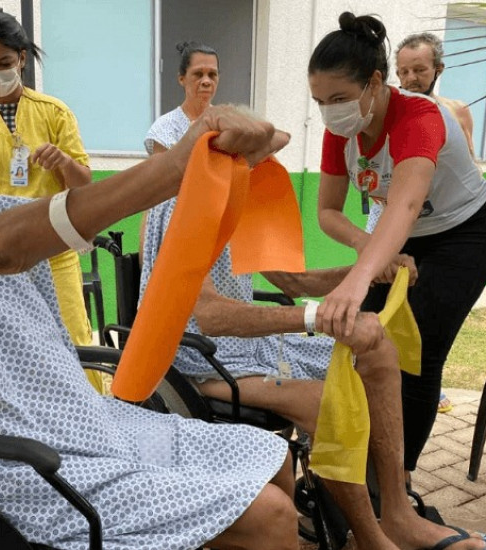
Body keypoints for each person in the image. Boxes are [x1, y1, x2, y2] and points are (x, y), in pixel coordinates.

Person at [0, 80, 298, 550]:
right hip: (25, 472)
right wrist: (177, 162)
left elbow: (79, 207)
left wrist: (244, 147)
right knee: (270, 516)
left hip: (89, 426)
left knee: (271, 454)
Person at [140, 45, 486, 550]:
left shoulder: (231, 197)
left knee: (376, 343)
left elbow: (294, 283)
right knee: (329, 403)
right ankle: (368, 535)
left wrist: (370, 273)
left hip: (246, 350)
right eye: (252, 157)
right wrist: (312, 318)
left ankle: (396, 510)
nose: (262, 166)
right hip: (199, 357)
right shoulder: (181, 210)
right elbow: (210, 316)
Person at [308, 12, 486, 485]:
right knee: (363, 342)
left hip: (465, 232)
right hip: (401, 234)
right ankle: (357, 469)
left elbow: (406, 203)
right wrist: (376, 252)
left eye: (340, 99)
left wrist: (359, 276)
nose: (330, 112)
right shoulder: (341, 132)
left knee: (416, 354)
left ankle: (395, 484)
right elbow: (327, 212)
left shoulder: (421, 116)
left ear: (375, 83)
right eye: (320, 102)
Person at [0, 9, 96, 374]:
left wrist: (62, 161)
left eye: (3, 62)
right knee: (2, 353)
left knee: (74, 346)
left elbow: (84, 186)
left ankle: (93, 418)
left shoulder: (53, 113)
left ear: (22, 59)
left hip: (53, 251)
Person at [374, 31, 476, 415]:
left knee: (428, 326)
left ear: (438, 69)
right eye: (403, 71)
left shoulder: (455, 111)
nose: (411, 78)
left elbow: (463, 163)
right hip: (399, 222)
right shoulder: (393, 116)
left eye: (419, 69)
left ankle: (425, 388)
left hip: (449, 224)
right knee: (385, 316)